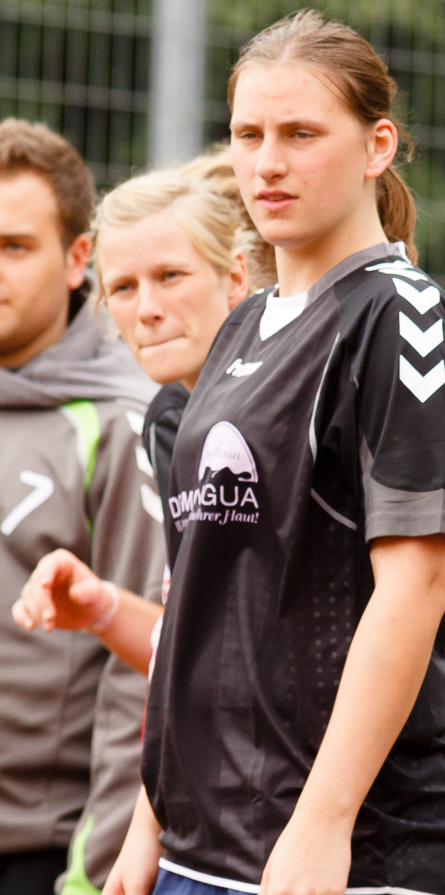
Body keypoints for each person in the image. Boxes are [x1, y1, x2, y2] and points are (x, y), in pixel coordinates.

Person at [95, 8, 445, 895]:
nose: (267, 162)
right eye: (248, 134)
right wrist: (150, 819)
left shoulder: (398, 315)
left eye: (301, 133)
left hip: (341, 852)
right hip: (199, 847)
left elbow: (418, 582)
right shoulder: (238, 327)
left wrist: (324, 819)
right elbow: (199, 599)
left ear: (377, 146)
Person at [13, 152, 445, 677]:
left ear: (238, 275)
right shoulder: (173, 416)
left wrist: (386, 627)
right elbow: (210, 654)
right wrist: (106, 609)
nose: (149, 309)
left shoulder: (338, 376)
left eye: (173, 274)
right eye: (123, 287)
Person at [0, 119, 166, 895]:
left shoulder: (124, 416)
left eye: (14, 247)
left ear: (76, 261)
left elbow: (143, 667)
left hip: (43, 849)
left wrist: (91, 873)